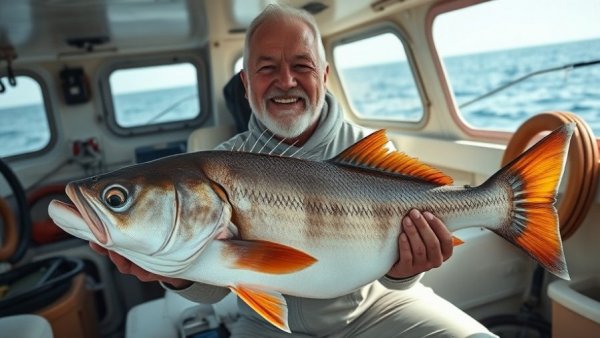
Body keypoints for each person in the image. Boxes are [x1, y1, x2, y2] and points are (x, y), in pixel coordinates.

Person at [92, 4, 496, 337]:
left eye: (301, 65)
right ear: (246, 84)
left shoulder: (368, 151)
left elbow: (397, 273)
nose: (286, 81)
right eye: (266, 68)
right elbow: (213, 291)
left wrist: (404, 273)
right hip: (267, 322)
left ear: (323, 75)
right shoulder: (223, 163)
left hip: (375, 307)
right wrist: (173, 273)